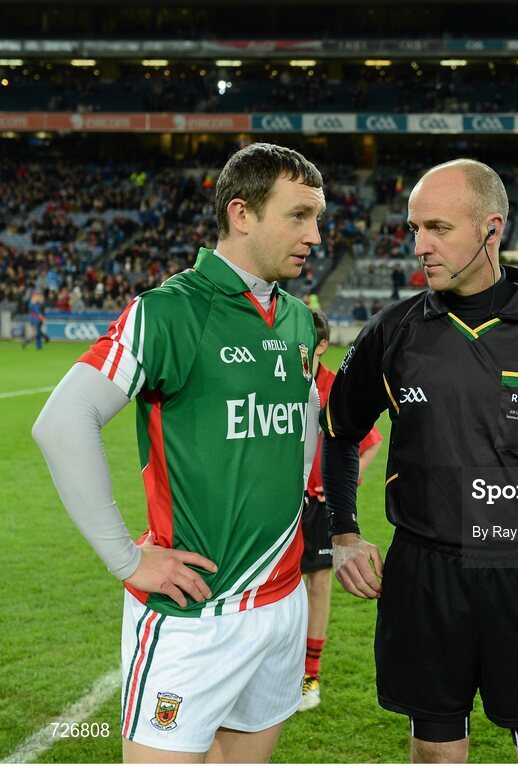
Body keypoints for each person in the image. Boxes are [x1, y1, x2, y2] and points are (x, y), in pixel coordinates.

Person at [320, 159, 518, 763]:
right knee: (436, 749)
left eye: (439, 228)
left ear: (491, 229)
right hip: (421, 568)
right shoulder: (391, 332)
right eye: (415, 228)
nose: (421, 246)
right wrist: (344, 531)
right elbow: (339, 432)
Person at [33, 143, 326, 763]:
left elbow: (301, 424)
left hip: (281, 603)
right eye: (299, 216)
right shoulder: (170, 311)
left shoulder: (298, 319)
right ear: (241, 214)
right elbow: (62, 422)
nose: (316, 235)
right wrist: (123, 558)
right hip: (194, 612)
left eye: (318, 217)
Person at [298, 308, 382, 712]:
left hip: (318, 506)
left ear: (324, 347)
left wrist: (346, 485)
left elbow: (371, 441)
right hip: (279, 504)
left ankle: (309, 676)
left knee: (318, 586)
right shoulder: (278, 383)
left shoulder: (335, 387)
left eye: (308, 347)